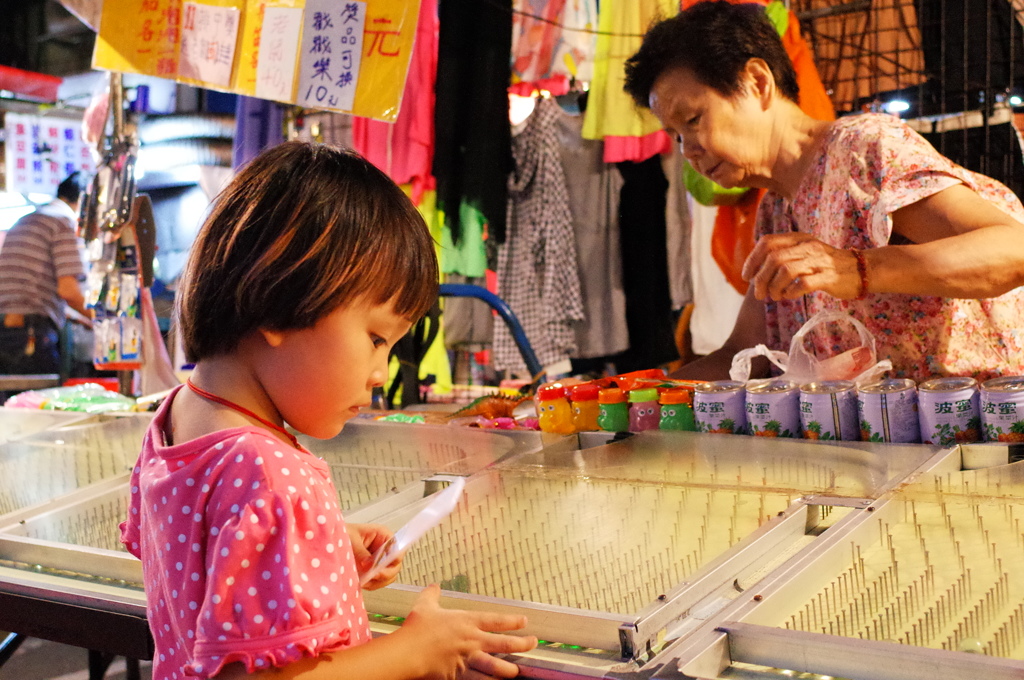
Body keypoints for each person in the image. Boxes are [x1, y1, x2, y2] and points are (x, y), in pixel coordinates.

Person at [119, 142, 537, 680]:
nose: (381, 373)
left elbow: (213, 559)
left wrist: (322, 539)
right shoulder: (273, 476)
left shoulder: (178, 421)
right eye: (376, 338)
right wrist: (416, 649)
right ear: (278, 300)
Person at [623, 1, 1024, 383]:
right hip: (894, 442)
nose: (687, 150)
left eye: (693, 119)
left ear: (757, 82)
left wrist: (853, 268)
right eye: (675, 136)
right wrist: (620, 398)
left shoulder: (864, 150)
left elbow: (1012, 249)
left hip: (981, 432)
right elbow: (746, 353)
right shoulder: (776, 210)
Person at [0, 172, 92, 375]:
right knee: (36, 402)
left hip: (7, 331)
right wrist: (101, 319)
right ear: (84, 202)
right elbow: (68, 290)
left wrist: (82, 319)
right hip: (30, 335)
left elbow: (33, 288)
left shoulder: (25, 221)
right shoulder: (63, 222)